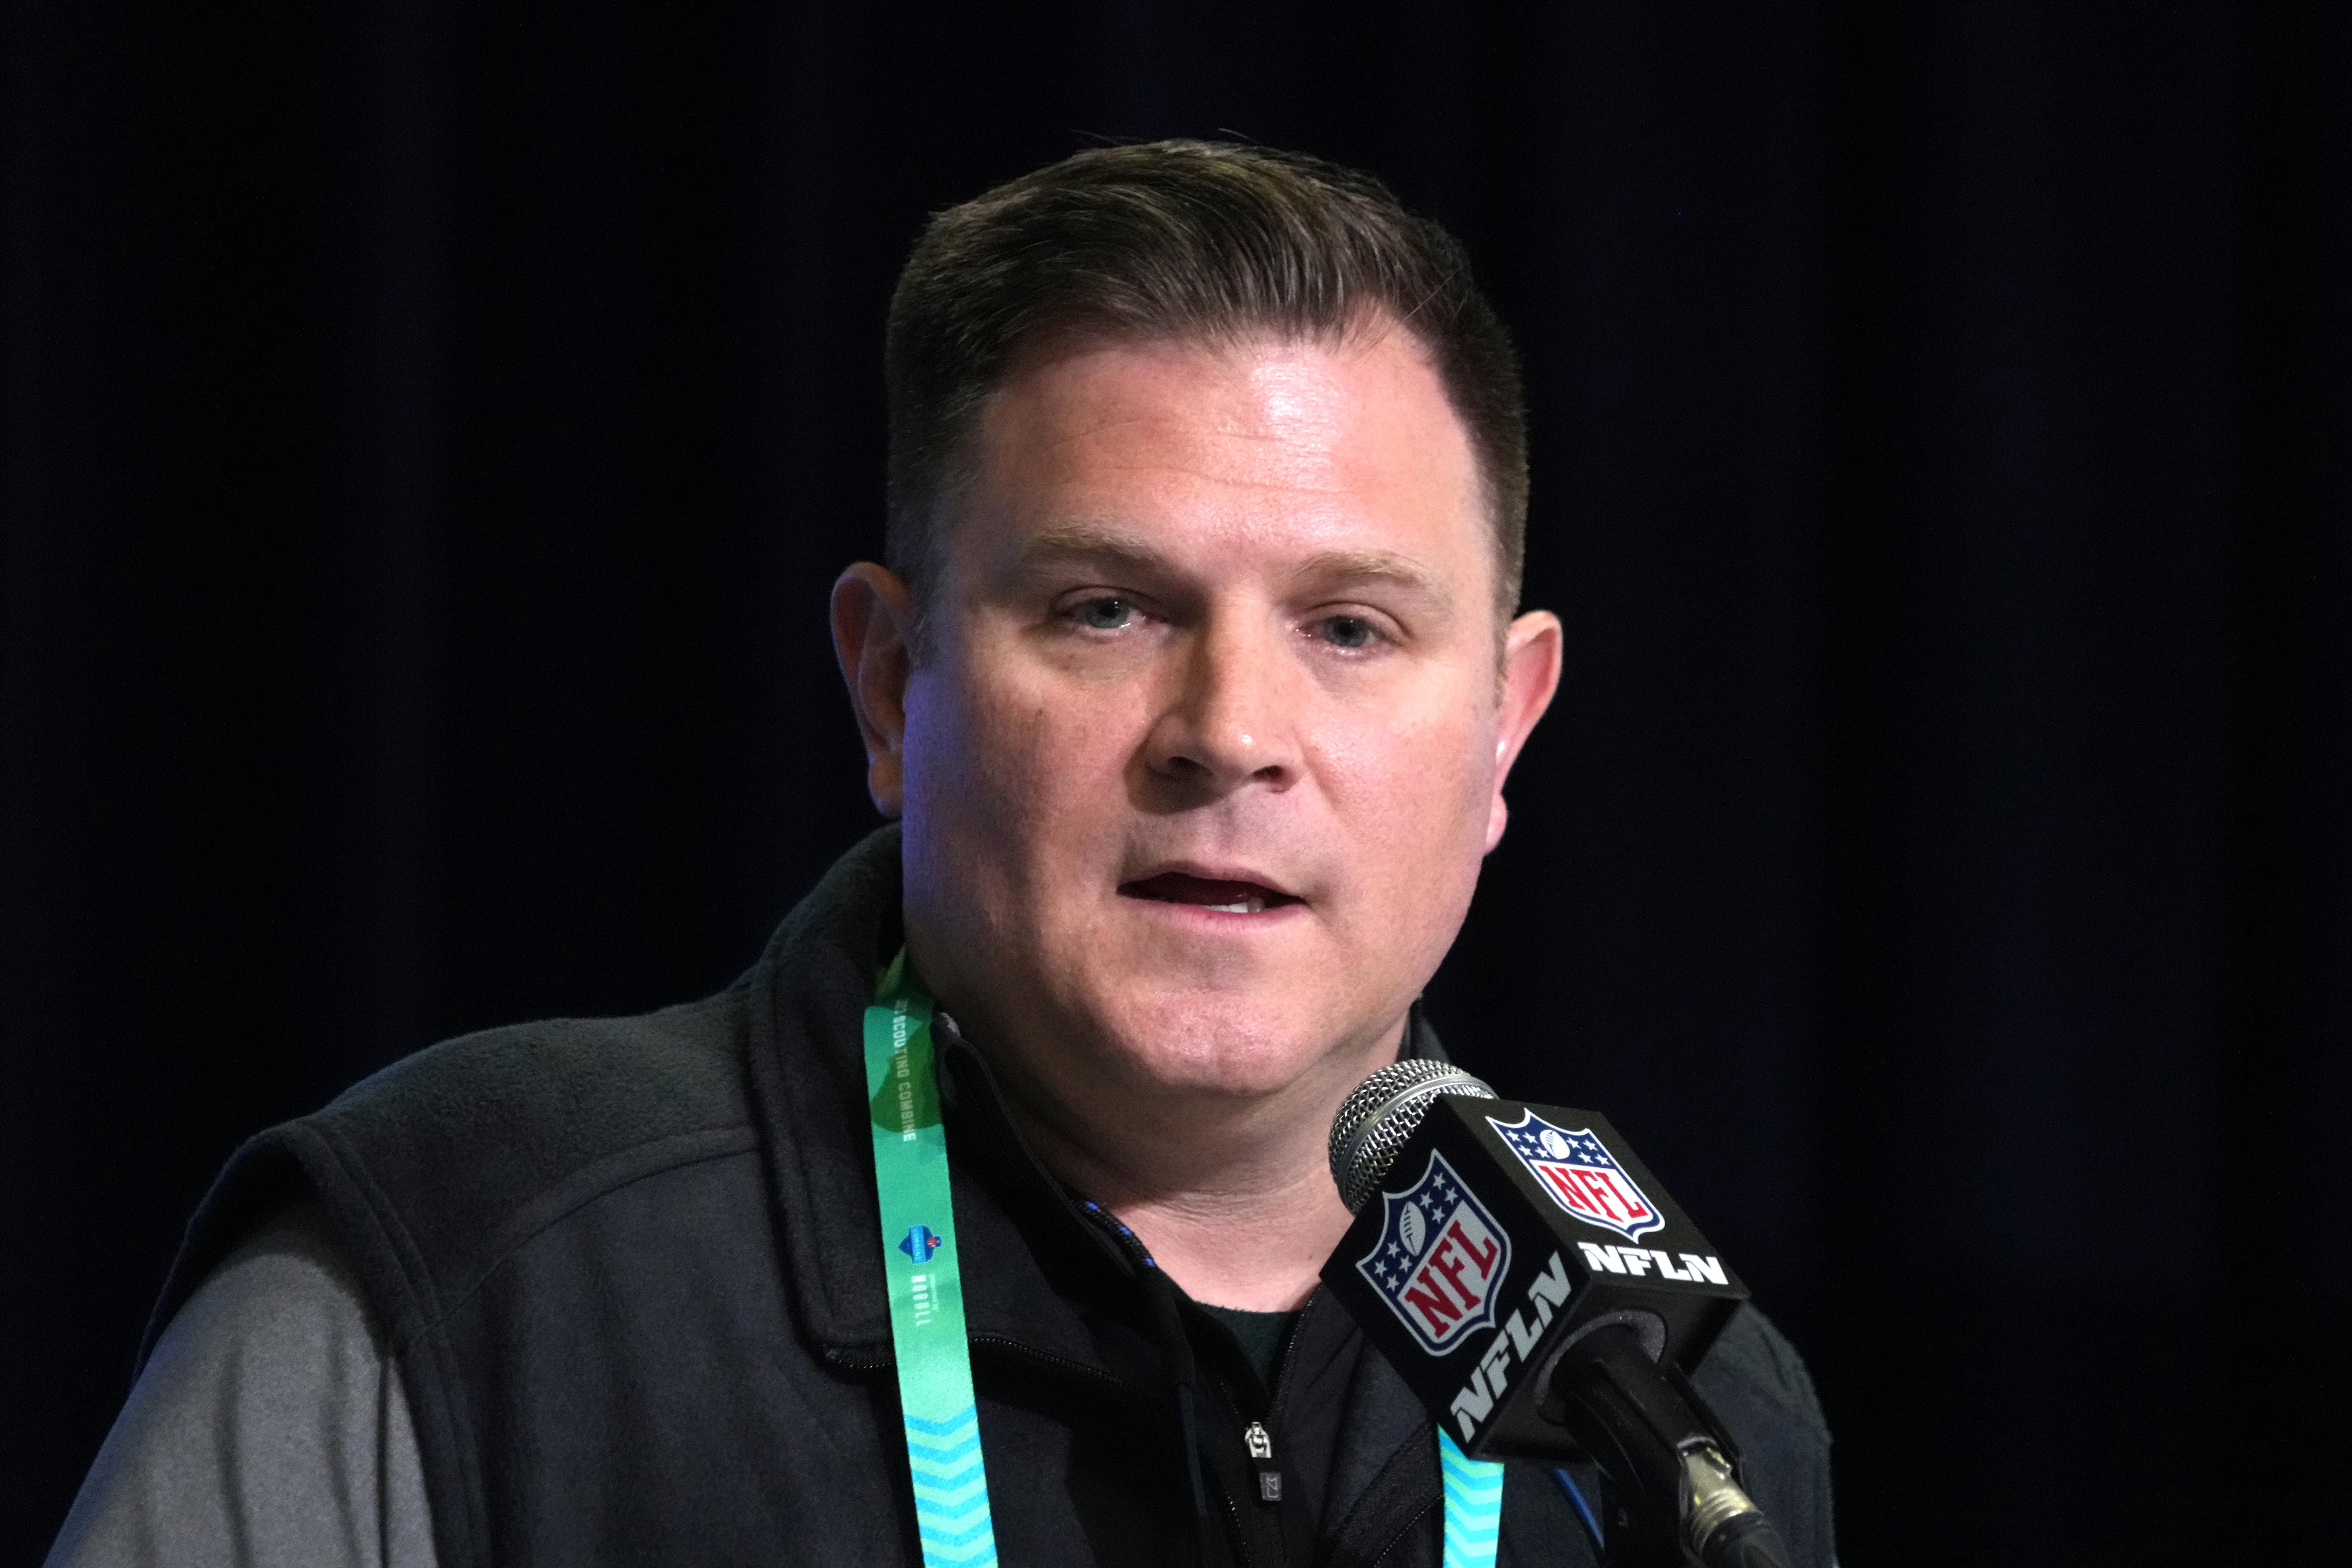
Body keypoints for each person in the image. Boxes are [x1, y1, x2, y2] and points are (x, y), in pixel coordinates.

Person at [48, 141, 1833, 1568]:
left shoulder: (1678, 1422)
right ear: (893, 686)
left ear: (1504, 725)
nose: (1227, 728)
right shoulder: (468, 1261)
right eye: (1107, 607)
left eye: (1351, 628)